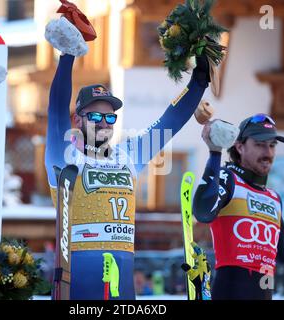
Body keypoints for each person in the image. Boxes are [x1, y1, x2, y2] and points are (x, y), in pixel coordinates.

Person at [44, 27, 211, 300]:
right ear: (78, 120)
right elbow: (56, 111)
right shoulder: (64, 155)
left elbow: (169, 121)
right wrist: (68, 56)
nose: (103, 123)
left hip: (123, 277)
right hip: (78, 277)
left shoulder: (128, 155)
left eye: (110, 118)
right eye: (95, 116)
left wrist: (199, 82)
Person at [193, 114, 284, 300]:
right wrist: (215, 153)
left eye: (272, 145)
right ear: (239, 147)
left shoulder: (273, 198)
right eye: (259, 144)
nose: (268, 153)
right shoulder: (228, 179)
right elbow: (203, 211)